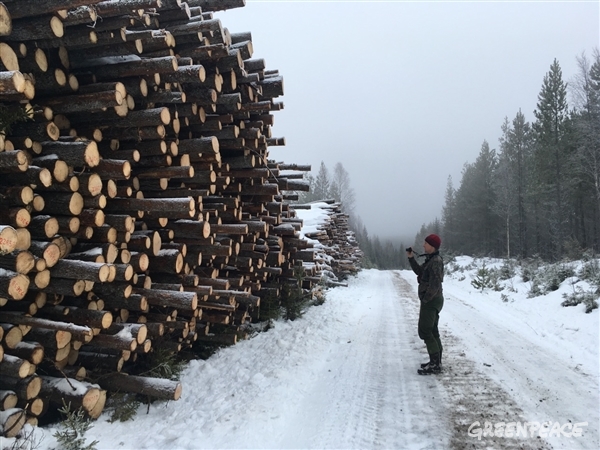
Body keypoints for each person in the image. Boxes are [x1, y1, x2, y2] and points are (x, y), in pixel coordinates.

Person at [406, 234, 444, 375]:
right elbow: (419, 271)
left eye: (426, 243)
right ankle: (436, 362)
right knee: (432, 330)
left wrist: (425, 299)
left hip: (432, 300)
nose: (423, 245)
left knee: (425, 330)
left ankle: (435, 365)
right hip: (434, 299)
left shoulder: (435, 261)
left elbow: (434, 284)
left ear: (432, 246)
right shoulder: (431, 259)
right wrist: (411, 257)